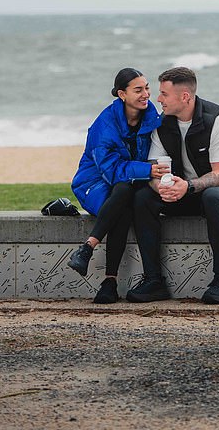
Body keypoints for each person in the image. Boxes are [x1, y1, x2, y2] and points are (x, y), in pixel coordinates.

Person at [126, 67, 219, 305]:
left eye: (164, 94)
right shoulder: (161, 125)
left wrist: (189, 186)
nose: (158, 99)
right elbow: (155, 170)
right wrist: (160, 187)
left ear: (184, 97)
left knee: (212, 197)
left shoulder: (218, 120)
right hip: (184, 191)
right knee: (142, 197)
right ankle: (154, 281)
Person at [67, 68, 168, 303]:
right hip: (94, 183)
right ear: (122, 94)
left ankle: (96, 262)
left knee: (125, 196)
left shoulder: (151, 116)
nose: (146, 94)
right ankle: (107, 276)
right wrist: (147, 170)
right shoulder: (104, 125)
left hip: (128, 184)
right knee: (122, 197)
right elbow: (111, 171)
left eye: (147, 88)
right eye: (138, 90)